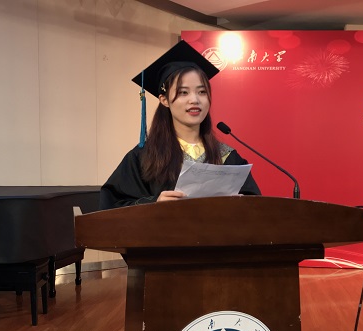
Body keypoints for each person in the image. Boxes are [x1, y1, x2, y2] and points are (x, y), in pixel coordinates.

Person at [99, 40, 260, 210]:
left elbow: (256, 207)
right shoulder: (144, 157)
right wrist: (154, 204)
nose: (194, 100)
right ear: (164, 100)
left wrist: (241, 205)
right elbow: (112, 207)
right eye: (183, 92)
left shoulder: (228, 157)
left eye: (202, 92)